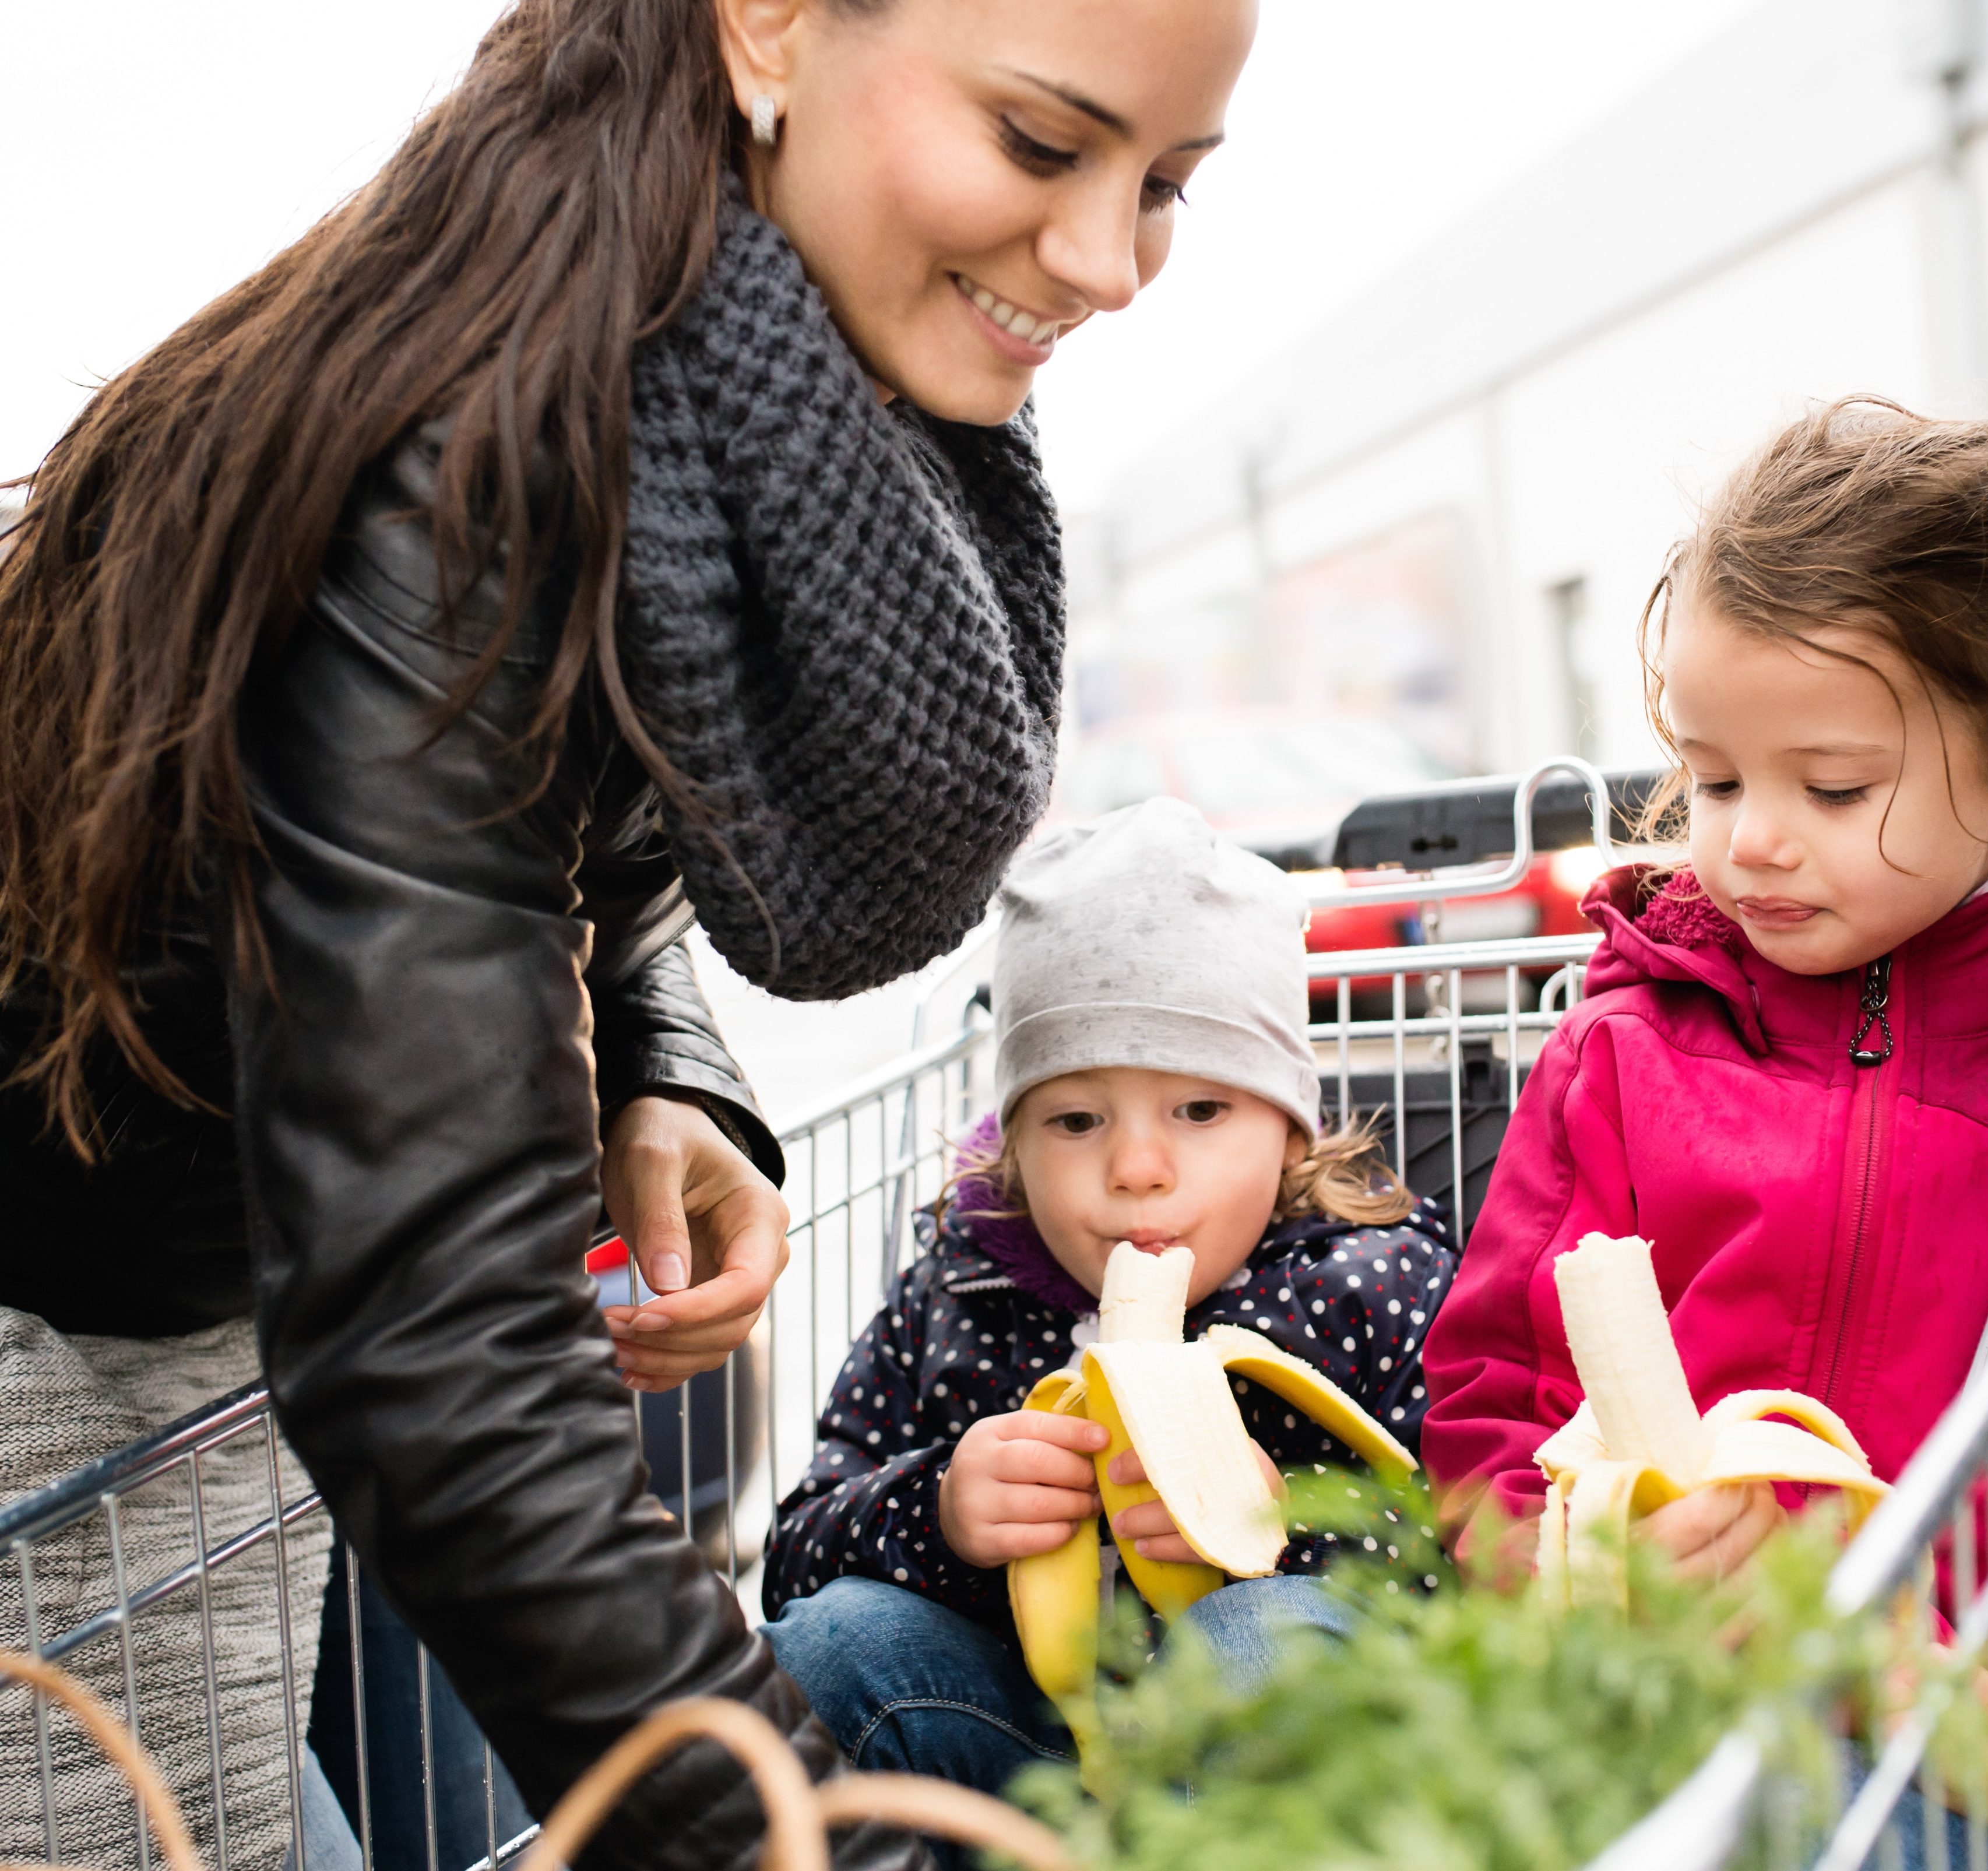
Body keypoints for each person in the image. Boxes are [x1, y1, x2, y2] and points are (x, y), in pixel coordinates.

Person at [0, 2, 1255, 1866]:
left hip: (254, 1296)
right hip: (74, 1342)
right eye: (1040, 143)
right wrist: (835, 1845)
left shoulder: (690, 378)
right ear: (769, 28)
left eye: (1164, 184)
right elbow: (447, 1375)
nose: (1108, 261)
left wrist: (654, 1060)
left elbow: (561, 819)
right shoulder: (456, 476)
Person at [1419, 396, 1988, 1863]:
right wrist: (1581, 1566)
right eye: (1713, 778)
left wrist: (1943, 1685)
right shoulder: (1626, 1043)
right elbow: (1492, 1393)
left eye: (1831, 788)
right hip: (1628, 1713)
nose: (1750, 837)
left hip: (1943, 1749)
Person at [761, 799, 1457, 1807]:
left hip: (1280, 1771)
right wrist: (939, 1511)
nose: (1137, 1166)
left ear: (1290, 1131)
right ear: (1013, 1144)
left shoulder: (1368, 1289)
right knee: (827, 1644)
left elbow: (1476, 1561)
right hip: (1022, 1756)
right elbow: (792, 1556)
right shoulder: (957, 1300)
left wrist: (1289, 1533)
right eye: (1078, 1119)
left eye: (1201, 1108)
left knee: (1258, 1640)